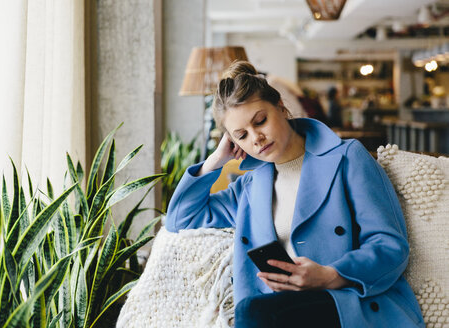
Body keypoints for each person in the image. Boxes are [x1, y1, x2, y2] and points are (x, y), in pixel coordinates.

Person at [165, 61, 424, 328]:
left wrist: (329, 275)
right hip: (280, 310)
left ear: (280, 105)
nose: (256, 138)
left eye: (260, 121)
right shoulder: (249, 188)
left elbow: (390, 246)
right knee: (254, 312)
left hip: (347, 303)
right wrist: (215, 161)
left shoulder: (347, 158)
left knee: (254, 313)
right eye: (241, 135)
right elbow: (180, 219)